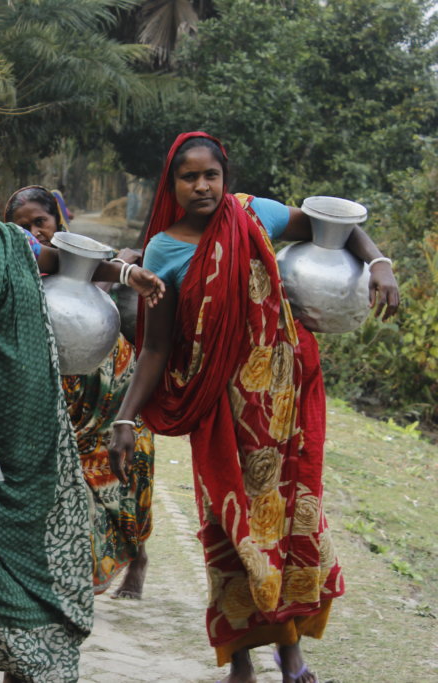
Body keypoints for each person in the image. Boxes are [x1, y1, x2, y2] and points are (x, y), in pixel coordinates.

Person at [108, 133, 399, 683]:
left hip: (283, 402)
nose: (202, 186)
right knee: (228, 527)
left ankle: (290, 651)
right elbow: (156, 347)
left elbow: (333, 224)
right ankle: (241, 657)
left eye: (210, 175)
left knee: (289, 523)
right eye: (188, 177)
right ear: (170, 185)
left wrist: (379, 261)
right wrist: (126, 416)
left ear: (226, 177)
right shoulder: (164, 252)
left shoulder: (252, 214)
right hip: (220, 408)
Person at [0, 156, 165, 683]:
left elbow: (70, 266)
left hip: (36, 433)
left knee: (35, 561)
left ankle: (27, 666)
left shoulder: (13, 246)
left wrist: (128, 273)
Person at [4, 185, 155, 600]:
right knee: (60, 481)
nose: (35, 232)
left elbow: (98, 299)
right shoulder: (10, 270)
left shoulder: (83, 258)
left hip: (110, 388)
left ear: (58, 222)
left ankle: (137, 557)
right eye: (23, 226)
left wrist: (120, 265)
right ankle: (64, 570)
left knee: (127, 472)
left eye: (42, 222)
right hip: (55, 395)